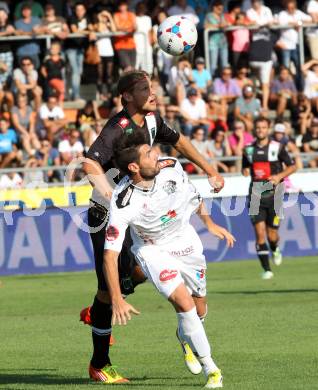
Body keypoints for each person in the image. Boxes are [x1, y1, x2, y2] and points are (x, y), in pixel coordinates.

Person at [81, 70, 225, 384]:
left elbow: (181, 142)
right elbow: (90, 162)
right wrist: (107, 193)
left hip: (139, 211)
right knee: (109, 289)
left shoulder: (152, 121)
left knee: (145, 266)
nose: (152, 93)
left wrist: (210, 169)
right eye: (144, 89)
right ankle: (99, 363)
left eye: (152, 87)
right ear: (127, 97)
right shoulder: (117, 128)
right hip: (107, 214)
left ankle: (102, 305)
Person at [103, 137, 235, 388]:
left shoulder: (171, 166)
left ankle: (184, 337)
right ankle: (212, 369)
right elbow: (110, 256)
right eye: (148, 154)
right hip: (152, 249)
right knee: (183, 303)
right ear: (134, 167)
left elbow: (193, 197)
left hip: (184, 239)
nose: (156, 155)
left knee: (199, 309)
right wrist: (117, 298)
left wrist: (209, 224)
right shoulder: (123, 202)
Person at [242, 117, 297, 279]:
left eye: (263, 127)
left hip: (276, 194)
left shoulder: (278, 147)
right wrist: (244, 171)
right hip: (256, 193)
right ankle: (267, 269)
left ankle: (275, 247)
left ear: (268, 129)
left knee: (272, 235)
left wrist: (279, 175)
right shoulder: (248, 149)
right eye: (258, 127)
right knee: (259, 234)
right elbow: (245, 167)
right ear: (255, 130)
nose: (260, 130)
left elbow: (294, 166)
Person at [65, 2, 90, 101]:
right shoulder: (72, 18)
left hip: (81, 48)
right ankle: (75, 96)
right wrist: (88, 32)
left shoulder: (87, 18)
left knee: (79, 72)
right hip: (71, 48)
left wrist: (90, 30)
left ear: (84, 10)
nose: (79, 12)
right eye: (77, 10)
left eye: (81, 9)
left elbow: (93, 27)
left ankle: (73, 94)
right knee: (75, 71)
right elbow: (74, 30)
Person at [204, 1, 229, 77]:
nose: (220, 7)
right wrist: (218, 26)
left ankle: (223, 81)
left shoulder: (222, 16)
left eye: (221, 5)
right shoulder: (209, 15)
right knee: (213, 65)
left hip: (223, 43)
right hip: (213, 44)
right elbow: (206, 26)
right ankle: (211, 81)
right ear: (214, 7)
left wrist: (223, 25)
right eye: (218, 6)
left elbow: (226, 24)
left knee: (224, 64)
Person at [14, 3, 41, 68]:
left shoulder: (37, 20)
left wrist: (37, 31)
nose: (26, 12)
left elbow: (41, 31)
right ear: (22, 12)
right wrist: (32, 32)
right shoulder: (17, 22)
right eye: (24, 10)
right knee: (23, 72)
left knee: (34, 72)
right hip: (22, 52)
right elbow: (19, 33)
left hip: (34, 51)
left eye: (28, 10)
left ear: (31, 11)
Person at [113, 1, 137, 71]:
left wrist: (126, 29)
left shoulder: (131, 14)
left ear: (127, 6)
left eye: (124, 5)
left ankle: (131, 81)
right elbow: (117, 27)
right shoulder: (116, 15)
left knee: (132, 68)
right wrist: (129, 28)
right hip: (120, 45)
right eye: (121, 5)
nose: (122, 7)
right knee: (127, 67)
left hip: (131, 44)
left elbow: (135, 26)